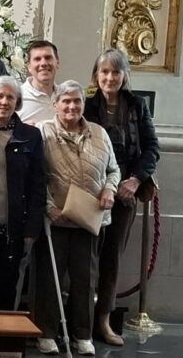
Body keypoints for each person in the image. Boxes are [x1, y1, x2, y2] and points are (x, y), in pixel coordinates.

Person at [34, 81, 120, 357]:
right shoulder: (43, 132)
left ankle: (82, 335)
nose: (71, 106)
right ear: (55, 104)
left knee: (86, 279)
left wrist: (110, 189)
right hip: (56, 219)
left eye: (77, 101)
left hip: (89, 219)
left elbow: (113, 170)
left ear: (83, 104)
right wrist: (48, 206)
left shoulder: (99, 132)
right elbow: (37, 176)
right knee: (50, 278)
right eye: (66, 101)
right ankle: (47, 333)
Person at [83, 49, 159, 347]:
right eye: (104, 72)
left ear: (124, 75)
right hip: (91, 191)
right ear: (96, 75)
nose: (110, 77)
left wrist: (136, 180)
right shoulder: (88, 106)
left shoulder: (137, 106)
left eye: (115, 72)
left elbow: (152, 147)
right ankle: (82, 320)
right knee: (87, 257)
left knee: (111, 258)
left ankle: (103, 319)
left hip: (125, 192)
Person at [0, 76, 46, 311]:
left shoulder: (30, 136)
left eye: (10, 97)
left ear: (17, 102)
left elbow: (37, 185)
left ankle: (1, 343)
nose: (4, 101)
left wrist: (32, 230)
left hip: (13, 227)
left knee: (7, 287)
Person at [17, 40, 60, 125]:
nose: (43, 63)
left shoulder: (65, 96)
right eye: (37, 59)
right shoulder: (17, 97)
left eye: (48, 58)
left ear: (57, 63)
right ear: (29, 66)